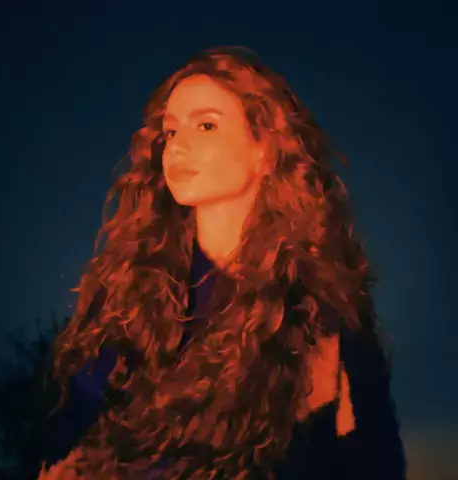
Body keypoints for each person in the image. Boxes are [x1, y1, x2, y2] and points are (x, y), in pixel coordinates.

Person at [39, 46, 406, 479]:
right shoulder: (129, 297)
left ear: (265, 149)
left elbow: (371, 460)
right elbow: (65, 441)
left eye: (206, 125)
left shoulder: (318, 313)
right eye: (170, 131)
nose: (177, 147)